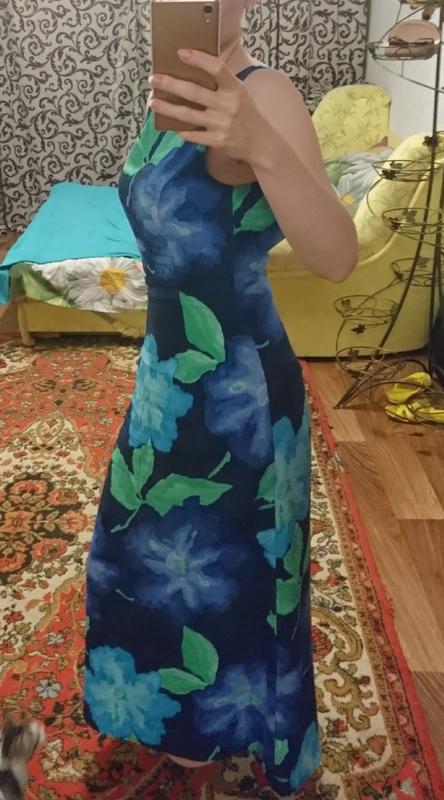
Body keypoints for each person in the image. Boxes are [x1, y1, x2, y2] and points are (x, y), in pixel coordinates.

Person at [83, 0, 358, 796]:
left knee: (236, 571)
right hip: (169, 373)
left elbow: (338, 256)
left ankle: (234, 728)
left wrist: (261, 141)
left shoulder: (264, 93)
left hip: (241, 395)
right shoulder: (167, 88)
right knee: (136, 556)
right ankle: (185, 728)